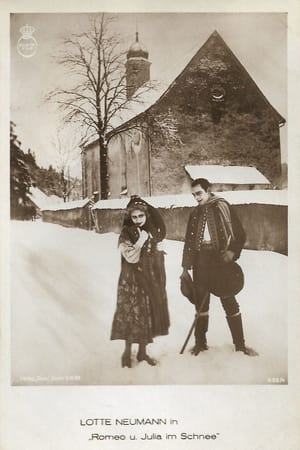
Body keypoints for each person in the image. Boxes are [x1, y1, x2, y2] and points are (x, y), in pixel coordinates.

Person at [181, 178, 258, 356]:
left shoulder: (223, 207)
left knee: (229, 300)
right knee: (201, 303)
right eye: (194, 195)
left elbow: (239, 233)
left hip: (220, 260)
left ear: (208, 190)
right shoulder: (194, 213)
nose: (197, 198)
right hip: (200, 261)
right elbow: (189, 241)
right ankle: (201, 344)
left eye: (199, 193)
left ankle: (240, 345)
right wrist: (186, 266)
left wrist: (232, 252)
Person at [111, 195, 170, 368]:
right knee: (133, 315)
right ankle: (127, 353)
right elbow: (130, 257)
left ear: (146, 216)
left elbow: (157, 246)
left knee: (148, 313)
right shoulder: (125, 233)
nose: (137, 220)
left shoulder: (151, 231)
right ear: (130, 217)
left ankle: (143, 352)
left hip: (150, 277)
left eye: (141, 216)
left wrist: (157, 252)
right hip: (132, 280)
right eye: (134, 217)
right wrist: (141, 241)